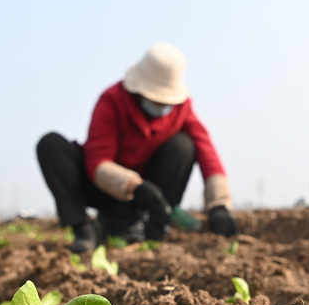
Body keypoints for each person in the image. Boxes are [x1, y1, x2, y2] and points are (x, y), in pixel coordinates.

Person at [36, 42, 239, 253]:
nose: (160, 105)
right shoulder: (113, 100)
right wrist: (134, 186)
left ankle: (153, 225)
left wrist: (219, 205)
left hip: (150, 197)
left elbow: (206, 151)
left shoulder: (181, 108)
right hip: (105, 187)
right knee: (51, 145)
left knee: (183, 146)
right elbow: (98, 161)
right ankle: (84, 229)